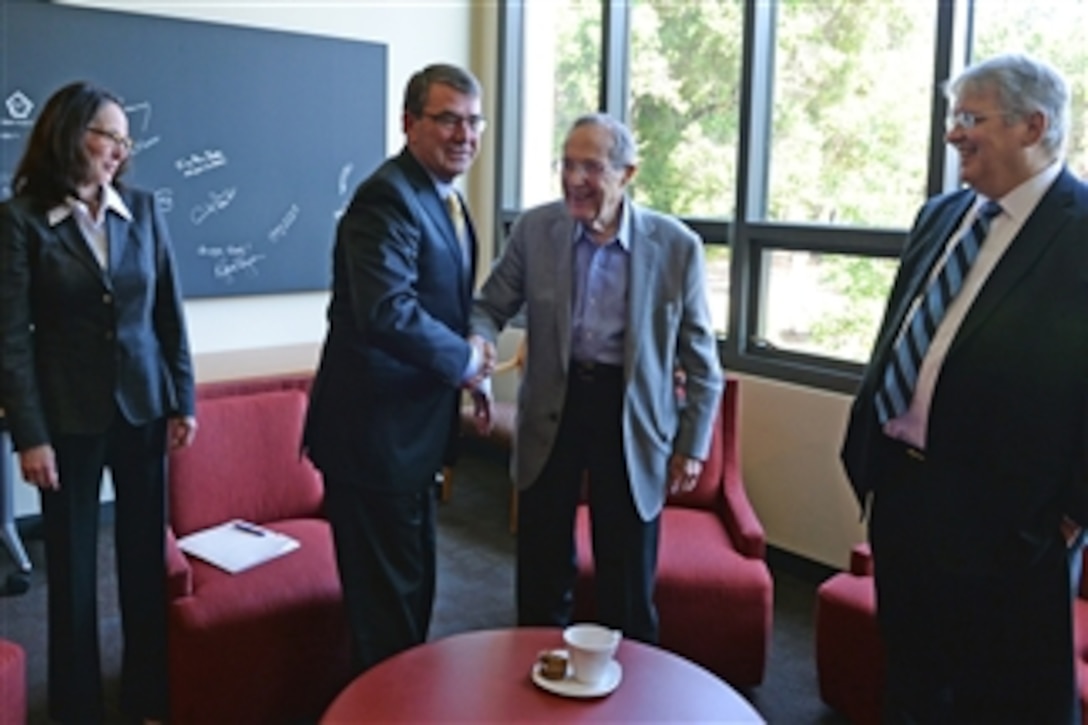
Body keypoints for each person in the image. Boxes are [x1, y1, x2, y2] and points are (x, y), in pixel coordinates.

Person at [841, 53, 1088, 723]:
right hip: (903, 493)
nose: (953, 134)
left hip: (1010, 523)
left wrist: (1069, 513)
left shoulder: (1080, 231)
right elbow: (903, 330)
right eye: (953, 118)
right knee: (913, 679)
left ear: (1033, 126)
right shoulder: (942, 215)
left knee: (1004, 698)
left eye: (970, 118)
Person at [470, 113, 723, 643]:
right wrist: (480, 343)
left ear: (627, 173)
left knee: (627, 579)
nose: (574, 178)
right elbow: (488, 306)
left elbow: (701, 360)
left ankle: (631, 698)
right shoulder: (537, 231)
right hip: (552, 407)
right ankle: (535, 681)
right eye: (567, 163)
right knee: (541, 570)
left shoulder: (675, 246)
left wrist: (692, 444)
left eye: (591, 166)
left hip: (630, 414)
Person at [0, 81, 197, 723]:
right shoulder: (21, 219)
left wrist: (183, 397)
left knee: (144, 562)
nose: (119, 149)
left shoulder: (141, 208)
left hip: (143, 408)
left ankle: (147, 695)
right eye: (107, 134)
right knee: (74, 568)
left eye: (123, 138)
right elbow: (11, 338)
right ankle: (76, 707)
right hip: (67, 421)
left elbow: (168, 311)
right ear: (68, 133)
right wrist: (30, 434)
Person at [301, 63, 493, 674]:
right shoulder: (387, 196)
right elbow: (388, 312)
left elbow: (443, 308)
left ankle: (399, 700)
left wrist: (471, 375)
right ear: (410, 123)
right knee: (385, 606)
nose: (464, 134)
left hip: (412, 437)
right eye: (447, 120)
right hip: (373, 440)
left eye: (473, 121)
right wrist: (463, 361)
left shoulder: (445, 198)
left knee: (408, 590)